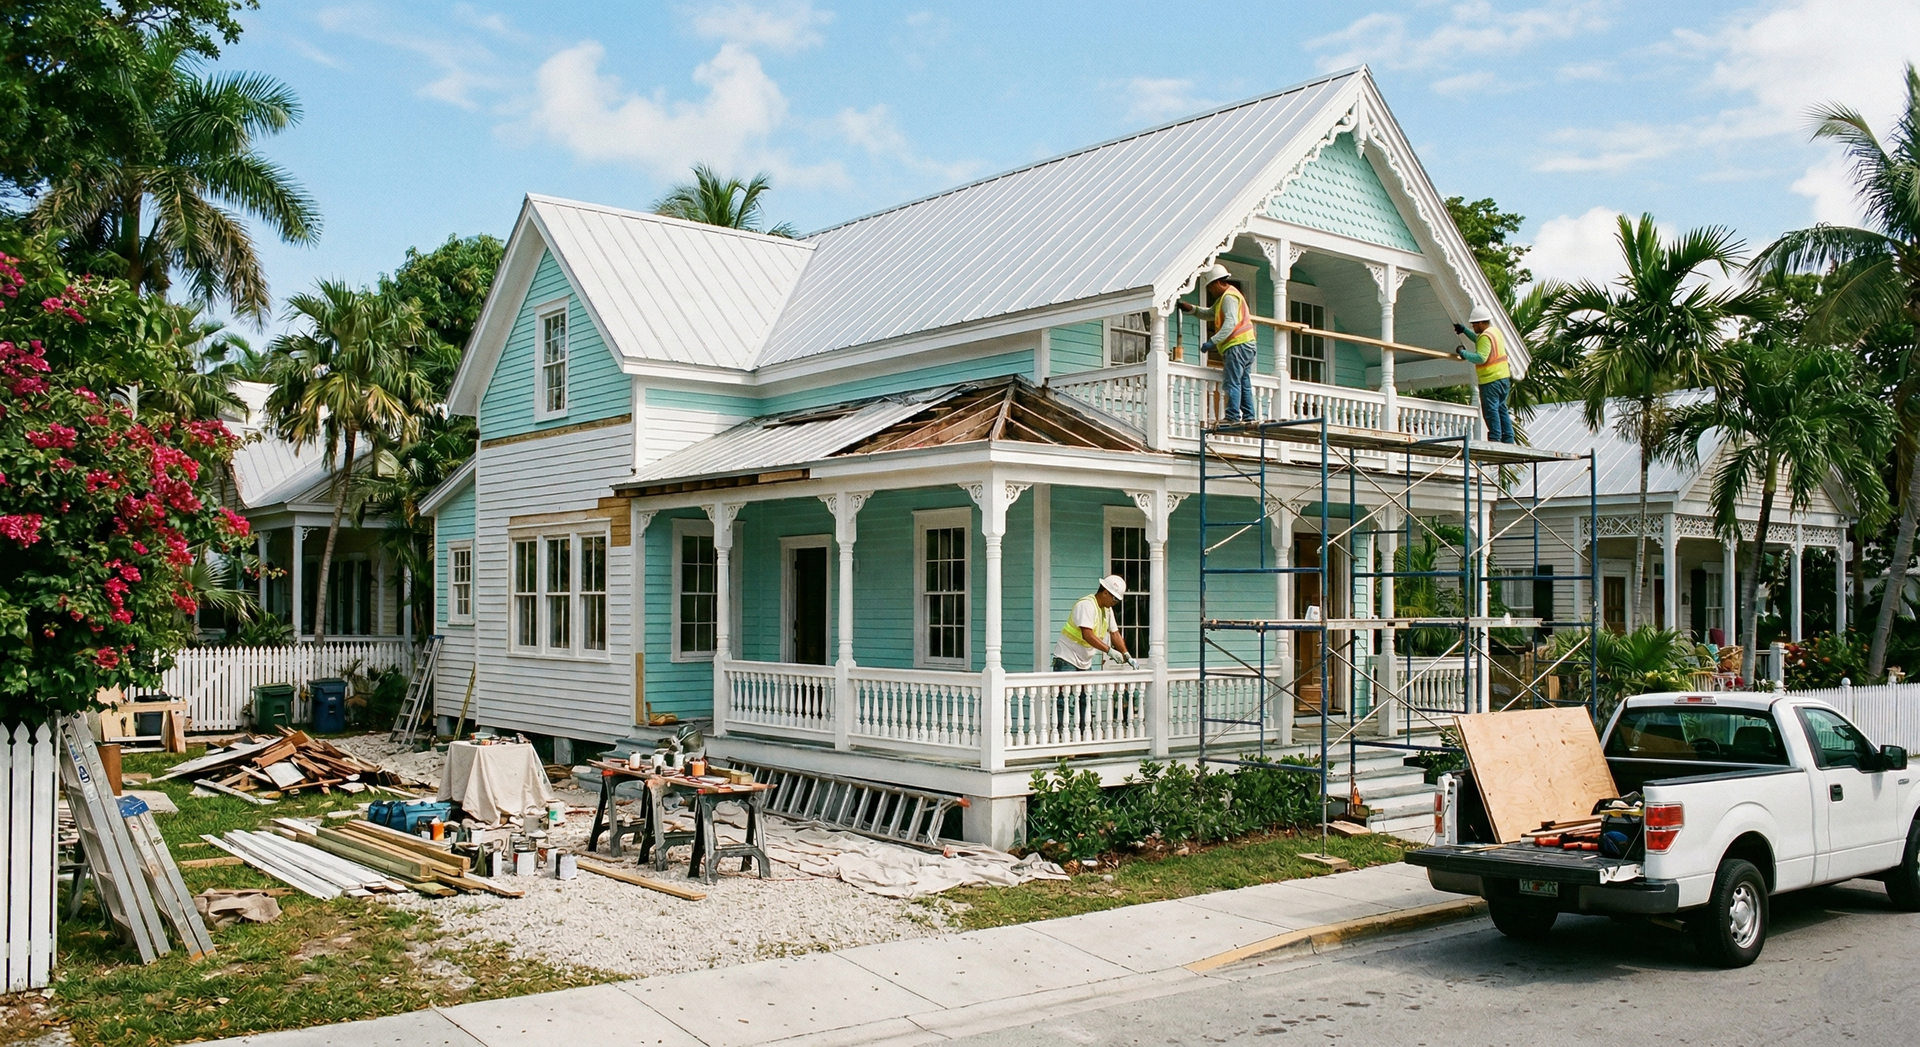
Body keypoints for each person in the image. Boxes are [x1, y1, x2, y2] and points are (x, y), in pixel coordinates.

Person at [1179, 264, 1258, 425]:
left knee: (1232, 382)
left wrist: (1212, 342)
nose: (1210, 291)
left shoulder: (1228, 298)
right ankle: (1249, 416)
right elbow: (1209, 313)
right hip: (1247, 345)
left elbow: (1230, 323)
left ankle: (1232, 416)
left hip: (1237, 345)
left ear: (1215, 283)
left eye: (1209, 288)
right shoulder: (1227, 297)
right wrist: (1191, 309)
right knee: (1243, 382)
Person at [1454, 305, 1514, 443]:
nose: (1473, 326)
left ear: (1481, 322)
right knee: (1501, 408)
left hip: (1490, 380)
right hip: (1503, 378)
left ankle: (1495, 438)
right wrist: (1464, 331)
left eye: (1474, 324)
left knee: (1491, 410)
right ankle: (1508, 437)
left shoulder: (1485, 337)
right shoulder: (1494, 332)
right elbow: (1478, 340)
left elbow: (1481, 357)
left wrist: (1463, 353)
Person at [1053, 574, 1134, 672]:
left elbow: (1115, 633)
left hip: (1085, 662)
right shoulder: (1087, 605)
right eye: (1115, 598)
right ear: (1105, 593)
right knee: (1067, 687)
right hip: (1067, 658)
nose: (1116, 602)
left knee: (1087, 687)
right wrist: (1110, 651)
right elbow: (1087, 635)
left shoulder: (1107, 610)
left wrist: (1126, 654)